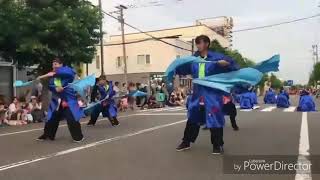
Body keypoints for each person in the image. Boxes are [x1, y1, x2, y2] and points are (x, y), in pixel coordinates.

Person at [175, 35, 238, 154]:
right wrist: (175, 68)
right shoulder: (193, 59)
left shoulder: (216, 57)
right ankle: (186, 142)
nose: (198, 45)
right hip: (198, 93)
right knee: (193, 116)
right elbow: (182, 69)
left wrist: (226, 64)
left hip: (212, 93)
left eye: (200, 43)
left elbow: (233, 65)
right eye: (197, 43)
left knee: (215, 116)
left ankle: (217, 145)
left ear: (207, 44)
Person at [37, 58, 84, 142]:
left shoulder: (67, 71)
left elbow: (70, 74)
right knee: (50, 118)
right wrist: (56, 88)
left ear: (61, 65)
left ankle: (78, 136)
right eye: (53, 64)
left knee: (72, 119)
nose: (54, 66)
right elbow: (51, 86)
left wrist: (51, 74)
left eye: (56, 64)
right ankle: (48, 135)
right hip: (57, 101)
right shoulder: (54, 78)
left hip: (69, 100)